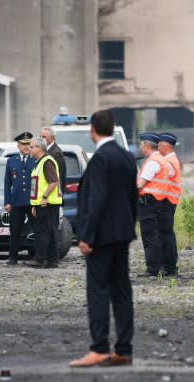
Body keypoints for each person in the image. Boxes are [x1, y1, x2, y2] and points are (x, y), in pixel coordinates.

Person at [70, 109, 137, 367]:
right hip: (122, 235)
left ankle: (99, 348)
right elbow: (133, 198)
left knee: (97, 290)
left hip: (101, 237)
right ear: (112, 128)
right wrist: (129, 228)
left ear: (93, 131)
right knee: (122, 292)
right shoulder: (127, 157)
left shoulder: (100, 159)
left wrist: (86, 236)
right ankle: (124, 349)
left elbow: (95, 200)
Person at [135, 132, 174, 278]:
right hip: (156, 202)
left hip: (149, 203)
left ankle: (152, 268)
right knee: (154, 235)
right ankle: (156, 267)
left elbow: (140, 184)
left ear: (146, 145)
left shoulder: (152, 162)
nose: (140, 148)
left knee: (149, 236)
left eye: (141, 145)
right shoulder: (160, 160)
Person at [27, 137, 62, 268]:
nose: (29, 149)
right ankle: (52, 260)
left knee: (43, 232)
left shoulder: (47, 161)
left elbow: (53, 181)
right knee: (50, 232)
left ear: (39, 148)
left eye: (31, 147)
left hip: (47, 203)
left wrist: (44, 197)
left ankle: (40, 259)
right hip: (43, 203)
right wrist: (34, 204)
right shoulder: (40, 162)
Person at [4, 131, 36, 265]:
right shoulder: (12, 161)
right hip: (16, 201)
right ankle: (13, 257)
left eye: (28, 144)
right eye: (23, 144)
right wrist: (7, 201)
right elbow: (7, 183)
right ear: (18, 146)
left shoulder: (35, 160)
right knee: (15, 230)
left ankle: (38, 256)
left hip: (32, 201)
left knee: (36, 229)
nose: (26, 147)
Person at [157, 132, 181, 276]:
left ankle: (169, 266)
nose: (157, 147)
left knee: (166, 234)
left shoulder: (169, 162)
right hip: (167, 200)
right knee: (165, 233)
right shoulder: (169, 160)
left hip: (168, 201)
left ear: (166, 146)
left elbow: (162, 177)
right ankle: (168, 264)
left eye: (159, 144)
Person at [40, 127, 67, 193]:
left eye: (44, 137)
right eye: (40, 137)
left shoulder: (56, 153)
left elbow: (58, 177)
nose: (41, 139)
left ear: (52, 138)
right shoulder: (42, 150)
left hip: (51, 194)